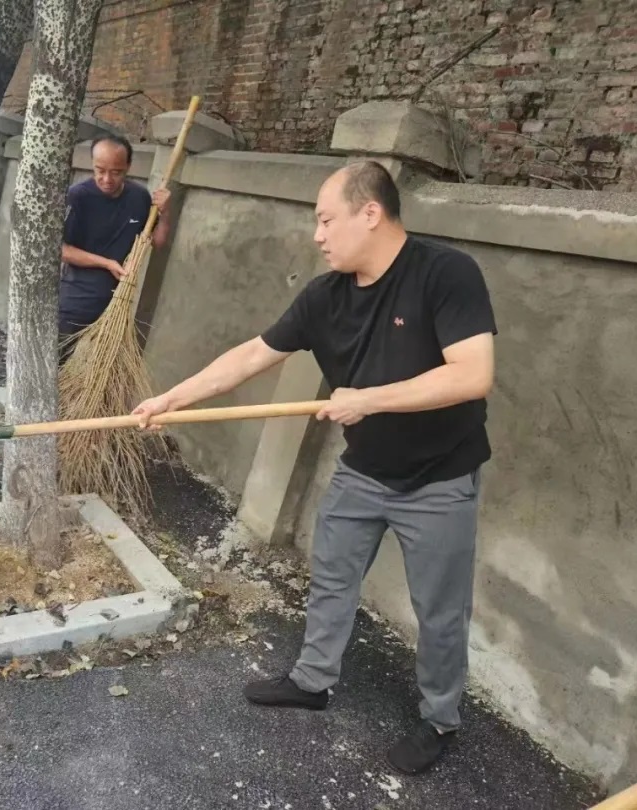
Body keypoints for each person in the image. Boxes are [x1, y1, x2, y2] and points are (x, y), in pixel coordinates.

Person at [133, 161, 497, 776]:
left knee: (440, 611)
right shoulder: (326, 296)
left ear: (371, 213)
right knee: (331, 578)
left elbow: (472, 374)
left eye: (327, 220)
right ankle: (313, 681)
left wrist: (369, 398)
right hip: (364, 470)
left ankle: (440, 719)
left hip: (438, 479)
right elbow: (252, 354)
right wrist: (173, 398)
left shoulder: (445, 273)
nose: (318, 235)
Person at [59, 134, 171, 356]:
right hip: (75, 300)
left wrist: (166, 212)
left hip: (117, 301)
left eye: (116, 172)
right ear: (92, 164)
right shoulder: (77, 197)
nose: (107, 179)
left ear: (128, 166)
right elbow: (61, 250)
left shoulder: (139, 197)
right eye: (100, 170)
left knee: (100, 365)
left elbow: (158, 242)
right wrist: (106, 263)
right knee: (58, 359)